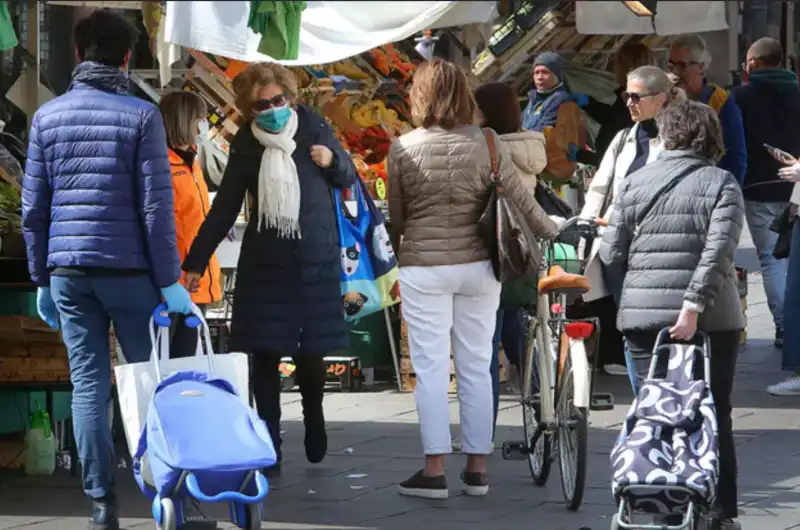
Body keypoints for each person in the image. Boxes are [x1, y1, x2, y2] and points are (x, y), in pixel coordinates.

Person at [20, 9, 193, 530]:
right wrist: (170, 280)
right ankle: (167, 489)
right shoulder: (142, 117)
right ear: (126, 57)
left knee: (88, 384)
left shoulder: (45, 118)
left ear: (77, 54)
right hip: (132, 273)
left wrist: (42, 279)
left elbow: (34, 210)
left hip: (69, 271)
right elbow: (156, 209)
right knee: (149, 379)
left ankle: (101, 504)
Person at [387, 58, 558, 500]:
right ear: (465, 95)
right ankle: (478, 471)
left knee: (429, 369)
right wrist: (553, 233)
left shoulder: (402, 147)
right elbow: (521, 200)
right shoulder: (487, 141)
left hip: (424, 266)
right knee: (477, 367)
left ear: (419, 96)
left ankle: (434, 470)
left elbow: (398, 217)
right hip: (481, 265)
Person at [181, 62, 357, 475]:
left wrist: (332, 160)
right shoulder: (247, 143)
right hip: (267, 260)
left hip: (314, 255)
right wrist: (194, 262)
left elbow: (347, 176)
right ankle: (269, 437)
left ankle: (314, 416)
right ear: (250, 109)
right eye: (263, 104)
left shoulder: (313, 127)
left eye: (279, 100)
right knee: (265, 352)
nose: (274, 108)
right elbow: (224, 207)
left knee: (311, 351)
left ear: (291, 98)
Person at [600, 100, 744, 530]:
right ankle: (718, 511)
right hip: (712, 321)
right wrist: (693, 304)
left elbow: (611, 252)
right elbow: (720, 252)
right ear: (711, 138)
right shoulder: (722, 183)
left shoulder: (634, 183)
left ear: (665, 137)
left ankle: (656, 504)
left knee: (654, 411)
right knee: (714, 412)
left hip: (644, 320)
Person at [578, 66, 681, 384]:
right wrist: (586, 226)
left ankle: (663, 385)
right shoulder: (624, 139)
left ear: (660, 99)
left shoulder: (678, 140)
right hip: (617, 247)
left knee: (658, 326)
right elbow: (600, 189)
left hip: (658, 248)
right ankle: (646, 396)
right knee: (631, 327)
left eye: (636, 96)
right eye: (626, 96)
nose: (628, 103)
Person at [474, 81, 548, 435]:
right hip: (520, 251)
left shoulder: (489, 146)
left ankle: (482, 429)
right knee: (516, 330)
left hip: (492, 250)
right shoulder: (531, 145)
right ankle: (541, 401)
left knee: (487, 341)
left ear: (485, 113)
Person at [734, 37, 798, 351]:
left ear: (755, 63)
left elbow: (734, 140)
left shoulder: (741, 97)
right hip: (797, 187)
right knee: (794, 259)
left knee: (772, 259)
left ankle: (785, 328)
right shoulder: (798, 93)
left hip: (758, 187)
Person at [159, 91, 223, 356]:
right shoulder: (162, 164)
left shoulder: (191, 161)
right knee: (171, 358)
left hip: (197, 277)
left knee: (186, 358)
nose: (204, 125)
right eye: (200, 118)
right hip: (175, 281)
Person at [668, 34, 747, 185]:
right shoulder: (666, 98)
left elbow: (736, 157)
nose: (674, 72)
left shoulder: (720, 102)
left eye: (681, 65)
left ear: (701, 67)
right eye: (671, 65)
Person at [576, 42, 654, 167]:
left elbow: (614, 158)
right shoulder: (641, 98)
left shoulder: (634, 104)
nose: (614, 69)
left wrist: (581, 155)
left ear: (627, 69)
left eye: (617, 65)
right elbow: (612, 118)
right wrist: (589, 103)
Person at [521, 52, 588, 181]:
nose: (539, 77)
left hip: (550, 170)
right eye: (536, 73)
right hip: (535, 164)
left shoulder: (561, 99)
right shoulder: (534, 100)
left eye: (545, 72)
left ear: (557, 75)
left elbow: (539, 132)